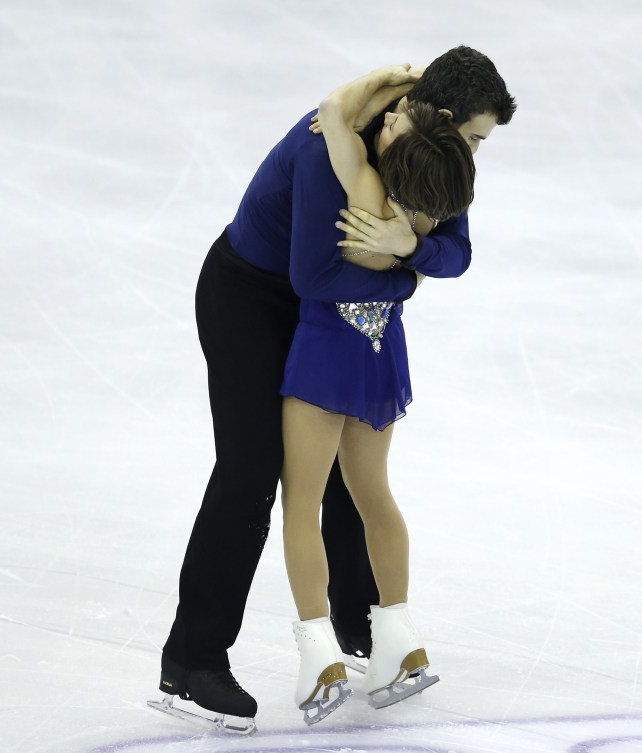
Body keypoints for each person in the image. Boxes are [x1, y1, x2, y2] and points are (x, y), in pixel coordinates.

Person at [154, 46, 516, 730]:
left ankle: (359, 624)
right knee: (253, 471)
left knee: (356, 468)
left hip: (335, 307)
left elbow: (457, 249)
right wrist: (406, 276)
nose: (475, 152)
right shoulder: (331, 142)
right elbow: (314, 278)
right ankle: (192, 657)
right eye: (473, 136)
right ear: (439, 116)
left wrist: (409, 249)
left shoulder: (437, 153)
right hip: (253, 297)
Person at [281, 65, 476, 724]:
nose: (387, 120)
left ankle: (320, 655)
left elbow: (332, 113)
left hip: (326, 351)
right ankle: (400, 640)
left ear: (401, 149)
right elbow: (441, 256)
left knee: (302, 504)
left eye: (396, 123)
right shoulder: (423, 212)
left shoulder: (361, 184)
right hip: (381, 350)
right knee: (374, 495)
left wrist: (379, 81)